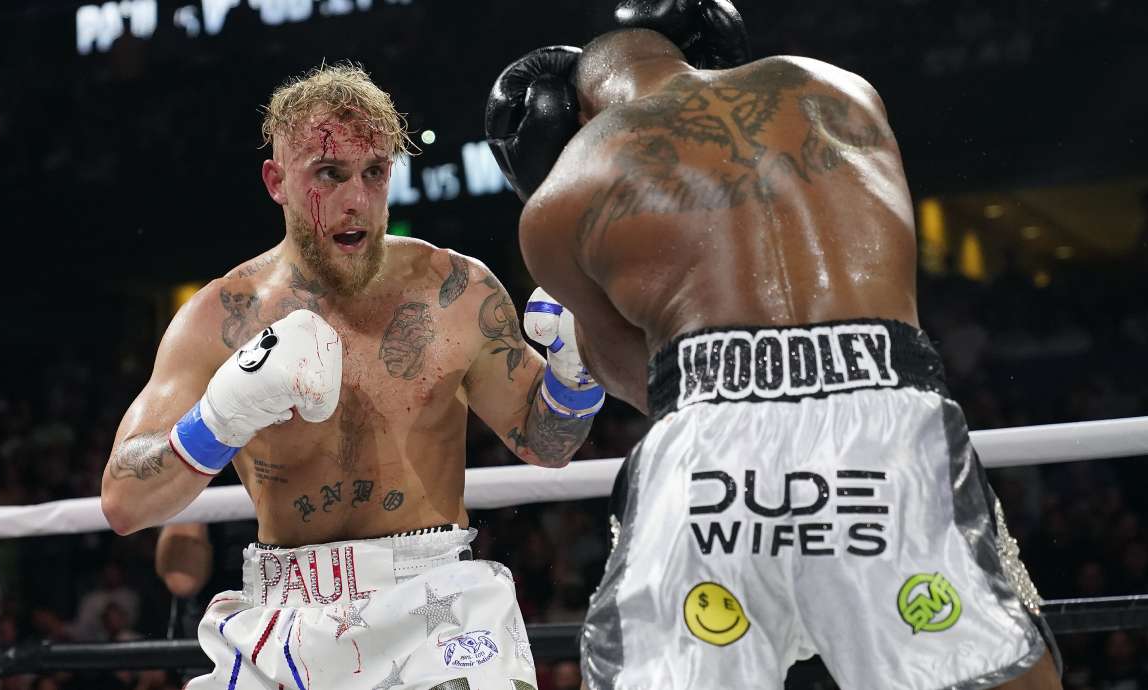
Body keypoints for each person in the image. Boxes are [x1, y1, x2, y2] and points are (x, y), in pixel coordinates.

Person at [484, 1, 1063, 688]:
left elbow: (643, 384)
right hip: (883, 417)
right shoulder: (839, 89)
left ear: (576, 117)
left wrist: (579, 338)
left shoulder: (560, 199)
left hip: (712, 452)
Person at [101, 62, 604, 690]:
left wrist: (576, 372)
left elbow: (544, 443)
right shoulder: (220, 319)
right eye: (330, 174)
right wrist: (220, 417)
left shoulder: (455, 291)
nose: (356, 200)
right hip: (283, 615)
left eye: (374, 173)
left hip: (434, 609)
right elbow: (124, 501)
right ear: (276, 182)